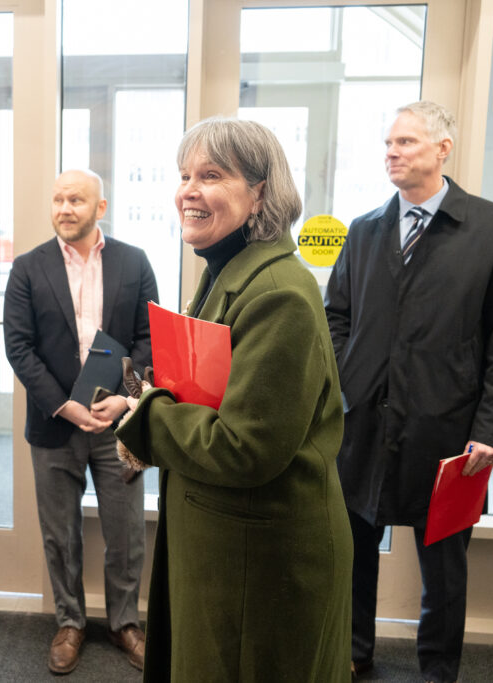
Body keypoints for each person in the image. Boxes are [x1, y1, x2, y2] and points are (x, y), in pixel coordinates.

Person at [114, 118, 352, 682]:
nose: (188, 191)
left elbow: (246, 446)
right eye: (184, 175)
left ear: (260, 193)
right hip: (229, 543)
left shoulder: (277, 294)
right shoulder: (229, 272)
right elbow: (211, 393)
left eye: (211, 175)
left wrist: (147, 415)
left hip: (264, 561)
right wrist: (153, 398)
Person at [324, 101, 493, 683]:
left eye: (407, 142)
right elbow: (335, 315)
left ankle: (438, 670)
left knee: (443, 562)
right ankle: (355, 648)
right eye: (389, 143)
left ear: (443, 149)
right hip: (363, 421)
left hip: (449, 427)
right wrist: (349, 379)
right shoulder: (364, 230)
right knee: (356, 545)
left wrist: (492, 429)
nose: (392, 151)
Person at [3, 169, 158, 675]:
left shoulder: (135, 263)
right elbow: (19, 348)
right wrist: (63, 405)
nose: (65, 208)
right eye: (58, 199)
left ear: (101, 206)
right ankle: (70, 622)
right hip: (54, 425)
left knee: (127, 532)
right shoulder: (28, 268)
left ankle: (123, 623)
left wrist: (125, 400)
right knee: (60, 534)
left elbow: (149, 339)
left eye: (76, 199)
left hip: (118, 425)